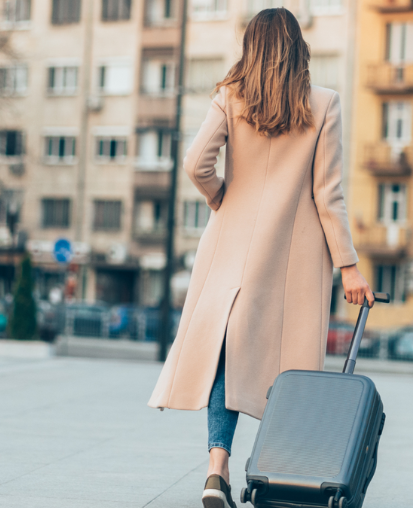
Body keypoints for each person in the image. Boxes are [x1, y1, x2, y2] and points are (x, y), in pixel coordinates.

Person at [146, 9, 373, 508]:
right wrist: (349, 265)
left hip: (231, 246)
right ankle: (280, 470)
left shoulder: (230, 97)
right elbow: (328, 195)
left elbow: (194, 162)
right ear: (299, 49)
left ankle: (216, 468)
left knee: (226, 355)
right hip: (293, 258)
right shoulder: (324, 104)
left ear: (251, 49)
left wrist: (221, 196)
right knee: (289, 370)